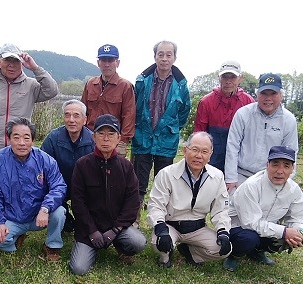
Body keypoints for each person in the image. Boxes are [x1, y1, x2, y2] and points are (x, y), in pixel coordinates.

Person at [69, 114, 146, 275]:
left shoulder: (126, 167)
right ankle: (91, 247)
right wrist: (92, 231)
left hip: (117, 228)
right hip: (89, 230)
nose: (106, 139)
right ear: (93, 137)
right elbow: (77, 203)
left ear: (118, 138)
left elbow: (132, 203)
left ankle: (120, 246)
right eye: (101, 133)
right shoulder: (82, 165)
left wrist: (115, 230)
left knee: (138, 242)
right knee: (78, 268)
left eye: (111, 134)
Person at [0, 117, 67, 262]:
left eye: (26, 138)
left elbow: (58, 186)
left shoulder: (45, 160)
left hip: (39, 216)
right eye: (16, 137)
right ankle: (16, 239)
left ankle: (52, 245)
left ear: (33, 140)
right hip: (12, 217)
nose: (21, 143)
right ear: (9, 139)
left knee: (59, 212)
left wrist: (45, 208)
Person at [146, 131, 231, 268]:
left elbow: (221, 210)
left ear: (210, 155)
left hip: (197, 228)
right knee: (159, 243)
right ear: (185, 150)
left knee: (224, 249)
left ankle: (190, 252)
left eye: (204, 151)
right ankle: (165, 257)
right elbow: (156, 205)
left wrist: (223, 231)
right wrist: (161, 229)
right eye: (195, 150)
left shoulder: (217, 176)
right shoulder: (166, 174)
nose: (199, 156)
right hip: (171, 226)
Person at [223, 145, 303, 272]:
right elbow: (250, 223)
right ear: (267, 165)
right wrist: (284, 231)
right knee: (249, 238)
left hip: (265, 227)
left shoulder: (294, 189)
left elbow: (300, 216)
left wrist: (299, 233)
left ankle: (257, 251)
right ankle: (233, 255)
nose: (280, 171)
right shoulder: (251, 186)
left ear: (292, 169)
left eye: (286, 166)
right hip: (238, 228)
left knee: (288, 235)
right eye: (275, 165)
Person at [0, 43, 59, 165]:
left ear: (22, 63)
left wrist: (35, 68)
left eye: (16, 61)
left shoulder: (31, 85)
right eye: (7, 60)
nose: (11, 65)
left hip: (21, 149)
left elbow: (52, 91)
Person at [132, 40, 191, 210]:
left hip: (166, 139)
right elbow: (134, 106)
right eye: (161, 54)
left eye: (168, 55)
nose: (164, 58)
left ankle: (160, 216)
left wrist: (171, 128)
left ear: (174, 58)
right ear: (155, 57)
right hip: (143, 137)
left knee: (164, 182)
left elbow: (184, 112)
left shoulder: (181, 85)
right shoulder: (142, 81)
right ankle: (134, 217)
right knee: (137, 183)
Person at [224, 72, 298, 192]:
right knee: (233, 203)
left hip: (271, 177)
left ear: (281, 95)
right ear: (257, 94)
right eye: (264, 93)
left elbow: (291, 152)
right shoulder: (243, 114)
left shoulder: (289, 119)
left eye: (273, 93)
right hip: (241, 174)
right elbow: (232, 146)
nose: (268, 98)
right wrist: (231, 178)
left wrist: (285, 180)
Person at [40, 99, 95, 232]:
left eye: (76, 116)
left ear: (85, 120)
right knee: (67, 226)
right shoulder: (53, 138)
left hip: (84, 188)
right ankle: (65, 220)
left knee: (86, 223)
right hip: (58, 186)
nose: (71, 120)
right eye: (67, 115)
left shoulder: (93, 140)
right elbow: (41, 166)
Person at [193, 60, 254, 173]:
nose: (228, 81)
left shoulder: (248, 102)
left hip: (239, 158)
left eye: (233, 77)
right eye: (225, 77)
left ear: (240, 78)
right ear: (219, 78)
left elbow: (252, 134)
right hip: (212, 157)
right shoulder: (206, 102)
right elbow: (199, 133)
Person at [81, 44, 135, 157]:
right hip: (90, 138)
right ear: (98, 63)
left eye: (110, 60)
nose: (106, 64)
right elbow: (82, 112)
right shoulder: (90, 84)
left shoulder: (125, 86)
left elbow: (129, 116)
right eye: (103, 60)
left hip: (112, 140)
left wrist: (122, 142)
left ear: (117, 63)